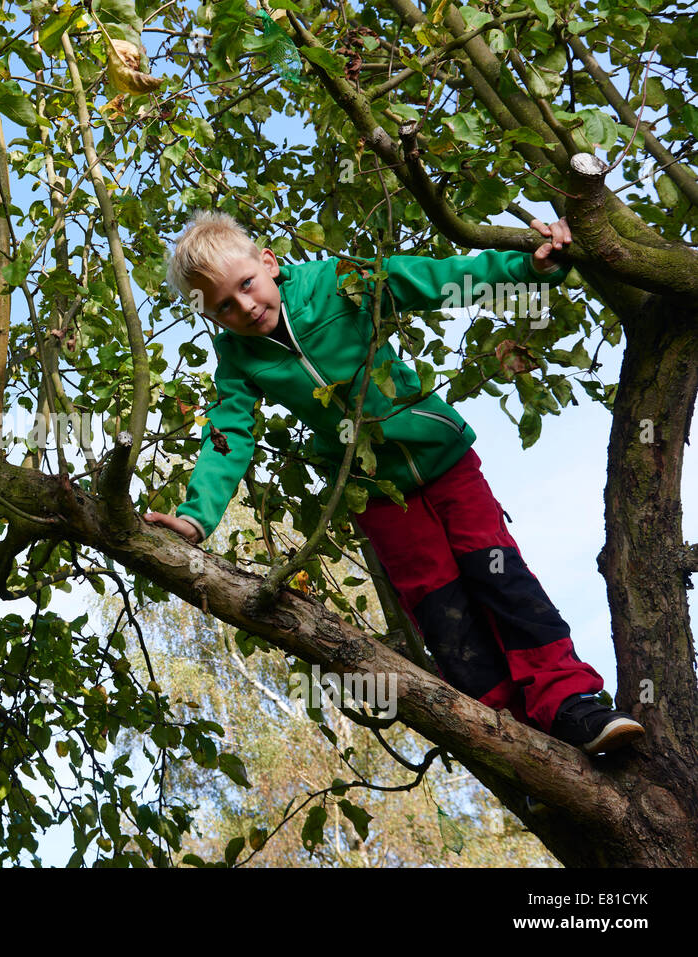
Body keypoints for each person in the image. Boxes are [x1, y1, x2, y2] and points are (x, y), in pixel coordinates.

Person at [144, 209, 644, 755]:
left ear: (268, 262)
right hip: (378, 496)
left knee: (500, 578)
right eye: (224, 307)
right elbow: (228, 433)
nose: (246, 306)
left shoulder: (339, 281)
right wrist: (196, 517)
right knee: (442, 612)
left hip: (444, 460)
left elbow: (433, 279)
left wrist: (528, 268)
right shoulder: (237, 358)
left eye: (247, 285)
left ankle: (570, 702)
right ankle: (511, 738)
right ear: (213, 318)